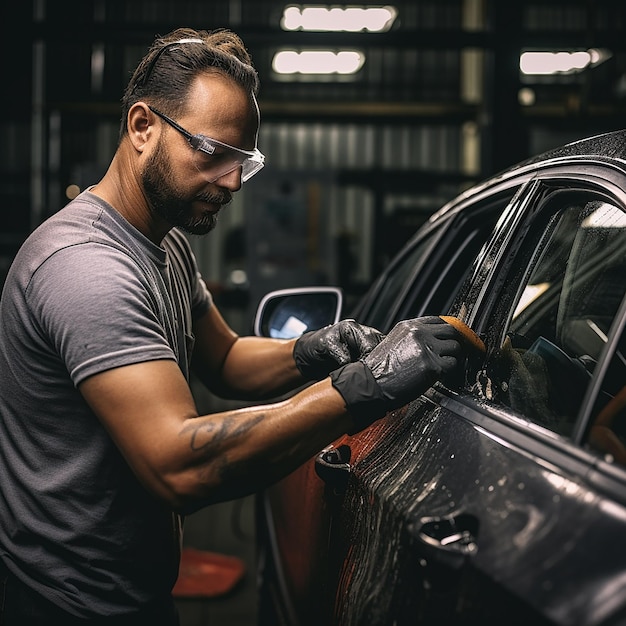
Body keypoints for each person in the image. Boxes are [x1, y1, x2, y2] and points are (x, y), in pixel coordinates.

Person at [0, 27, 464, 624]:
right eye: (213, 153)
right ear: (143, 127)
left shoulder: (161, 245)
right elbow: (178, 465)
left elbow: (224, 360)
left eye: (244, 160)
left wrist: (316, 348)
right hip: (65, 605)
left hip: (123, 592)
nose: (233, 182)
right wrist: (360, 388)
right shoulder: (87, 269)